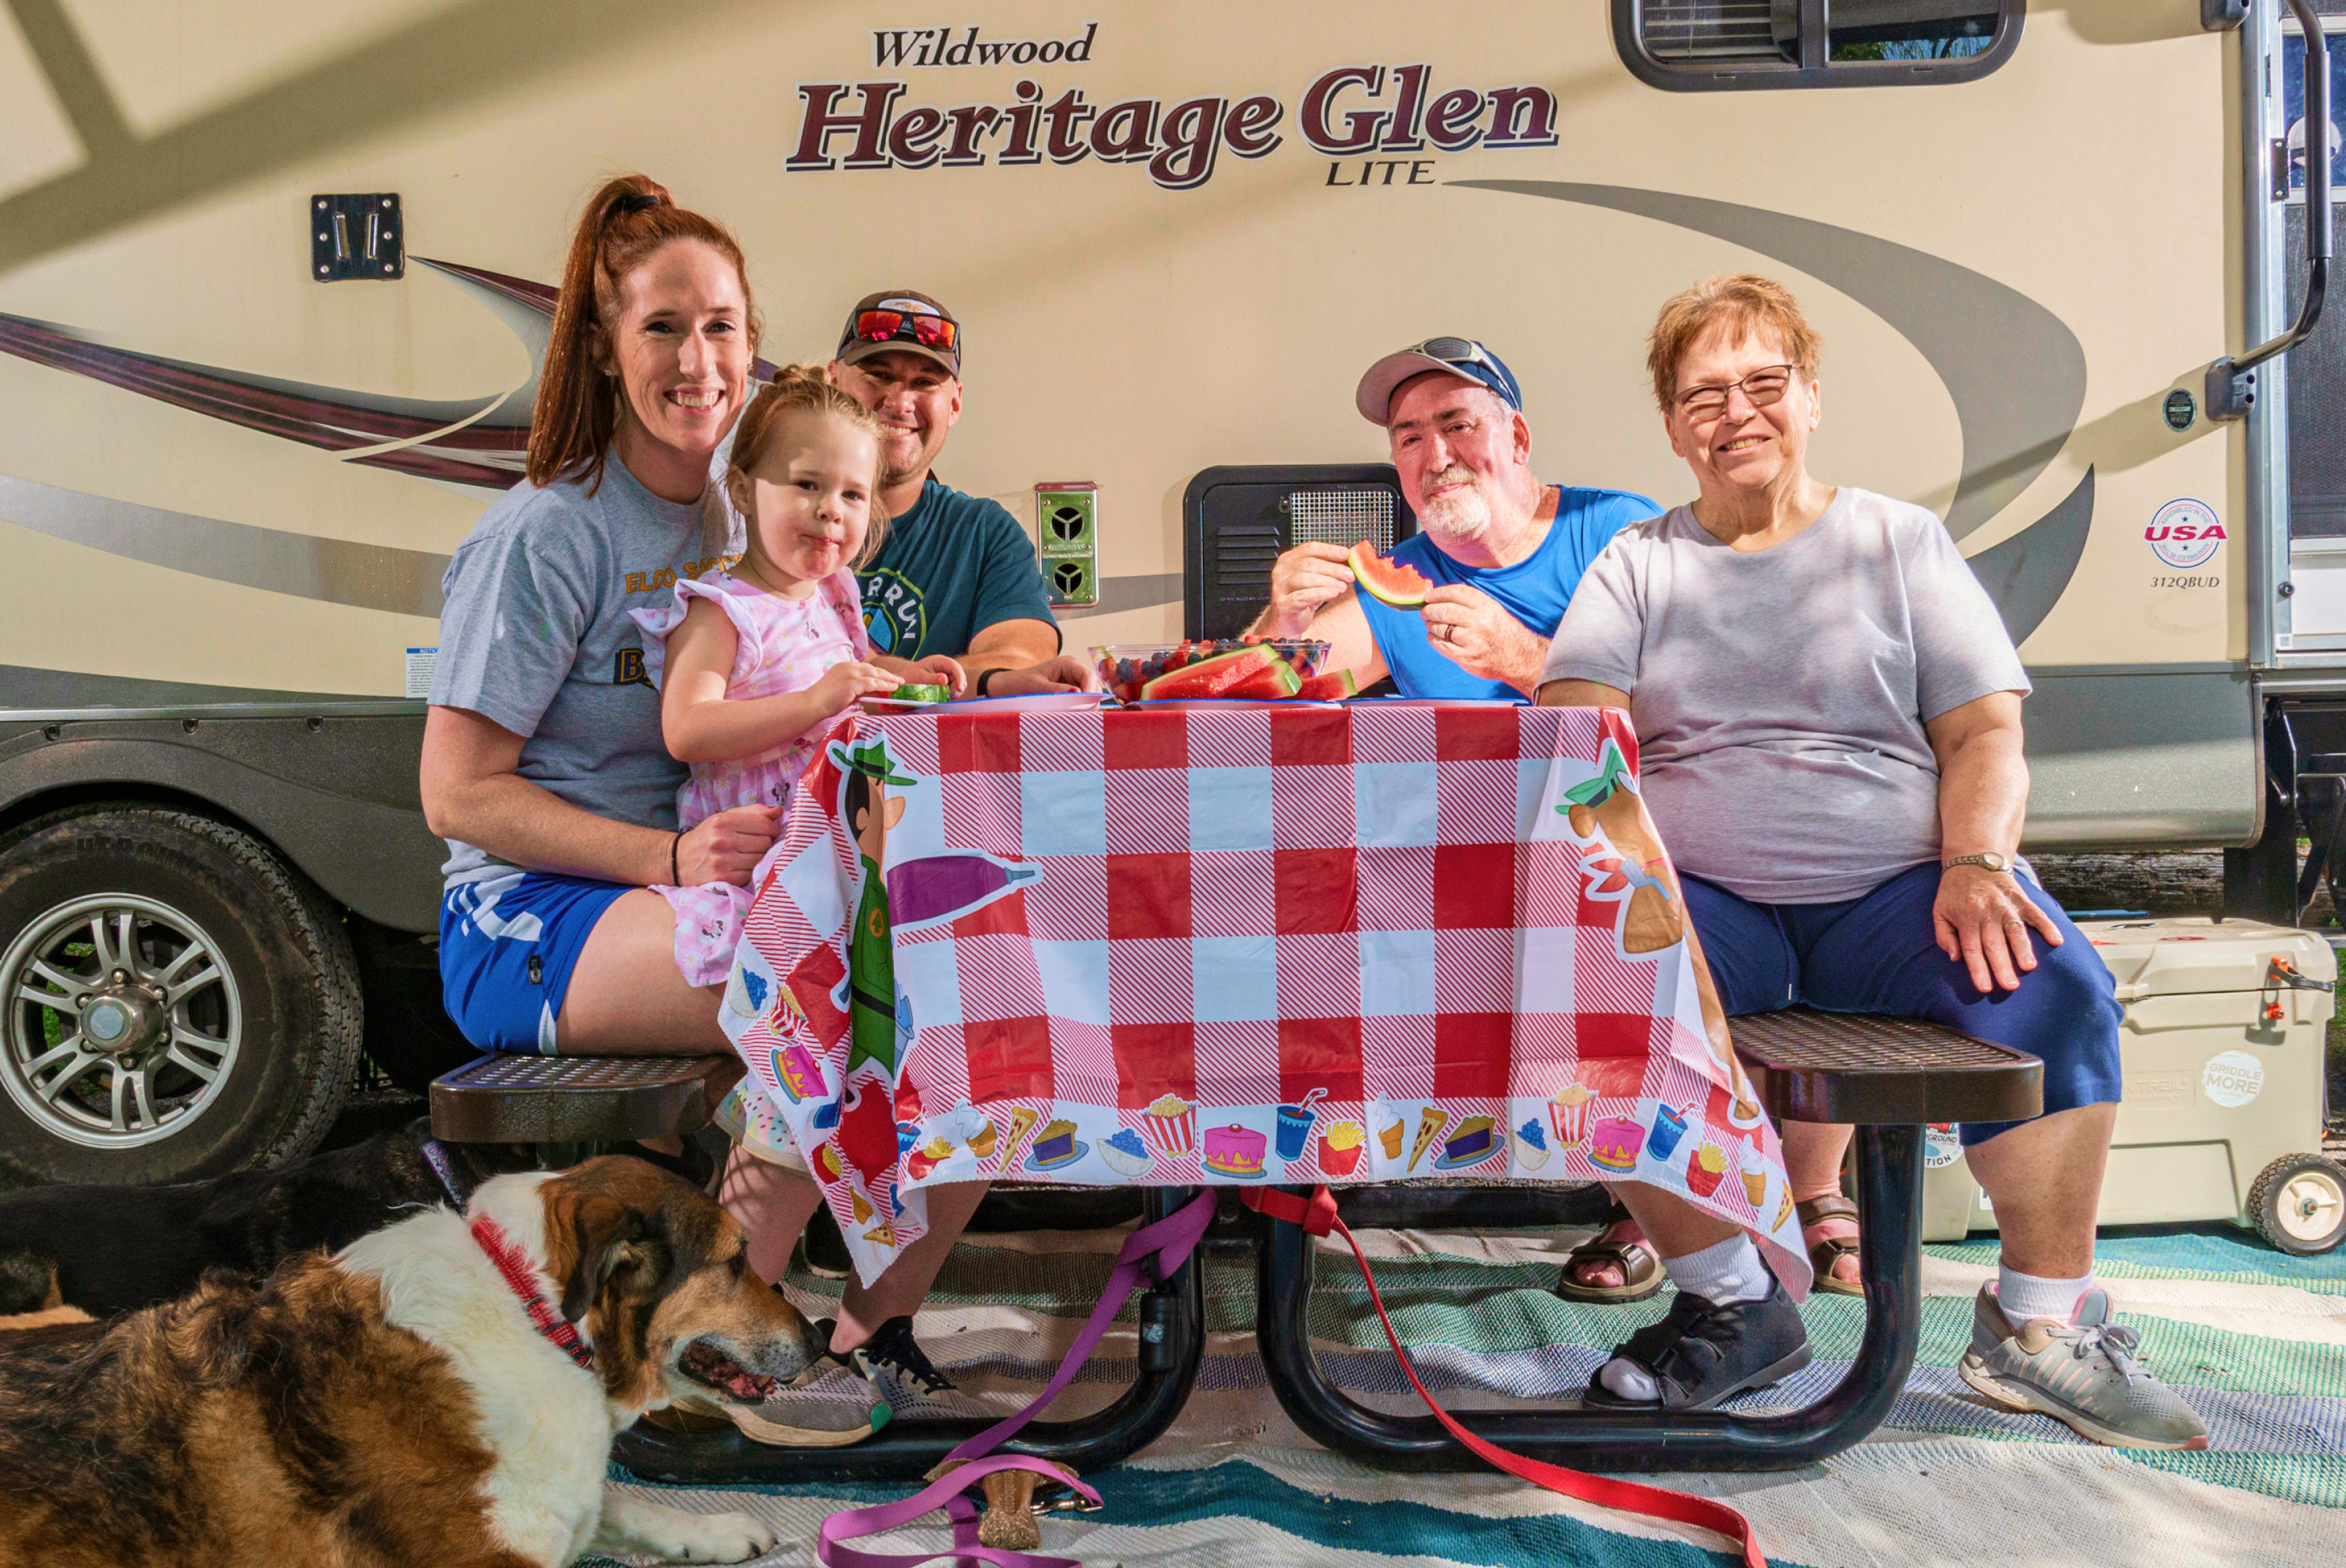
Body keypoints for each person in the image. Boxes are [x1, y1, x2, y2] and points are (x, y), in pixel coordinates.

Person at [1535, 273, 2206, 1449]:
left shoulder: (1898, 541)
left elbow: (1984, 732)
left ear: (1809, 396)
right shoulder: (1637, 565)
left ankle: (2036, 1332)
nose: (1736, 412)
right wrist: (1644, 897)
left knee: (2056, 989)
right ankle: (1735, 1308)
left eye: (1763, 383)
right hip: (1711, 902)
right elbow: (1580, 747)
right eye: (1704, 393)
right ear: (1670, 423)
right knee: (1574, 998)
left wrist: (1979, 861)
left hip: (1898, 893)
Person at [417, 176, 973, 1447]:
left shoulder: (750, 508)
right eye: (663, 327)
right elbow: (455, 795)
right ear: (606, 352)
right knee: (847, 987)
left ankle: (864, 1332)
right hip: (534, 916)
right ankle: (732, 1344)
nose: (698, 359)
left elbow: (804, 685)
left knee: (951, 981)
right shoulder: (546, 536)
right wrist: (666, 853)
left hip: (706, 893)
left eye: (722, 325)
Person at [633, 365, 962, 989]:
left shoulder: (832, 594)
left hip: (841, 840)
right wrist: (815, 703)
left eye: (852, 495)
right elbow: (687, 728)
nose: (829, 511)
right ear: (742, 488)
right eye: (807, 484)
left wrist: (905, 674)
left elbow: (842, 667)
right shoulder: (722, 610)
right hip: (762, 855)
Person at [1248, 337, 1653, 698]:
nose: (1437, 460)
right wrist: (1281, 621)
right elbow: (1251, 700)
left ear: (1518, 439)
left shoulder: (1619, 531)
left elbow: (1696, 705)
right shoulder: (1399, 583)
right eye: (1410, 440)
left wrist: (1521, 658)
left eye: (1458, 426)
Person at [828, 291, 1094, 695]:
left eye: (924, 383)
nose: (900, 402)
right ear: (832, 382)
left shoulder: (985, 533)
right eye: (878, 376)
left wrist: (888, 683)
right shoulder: (765, 509)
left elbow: (1023, 657)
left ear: (954, 405)